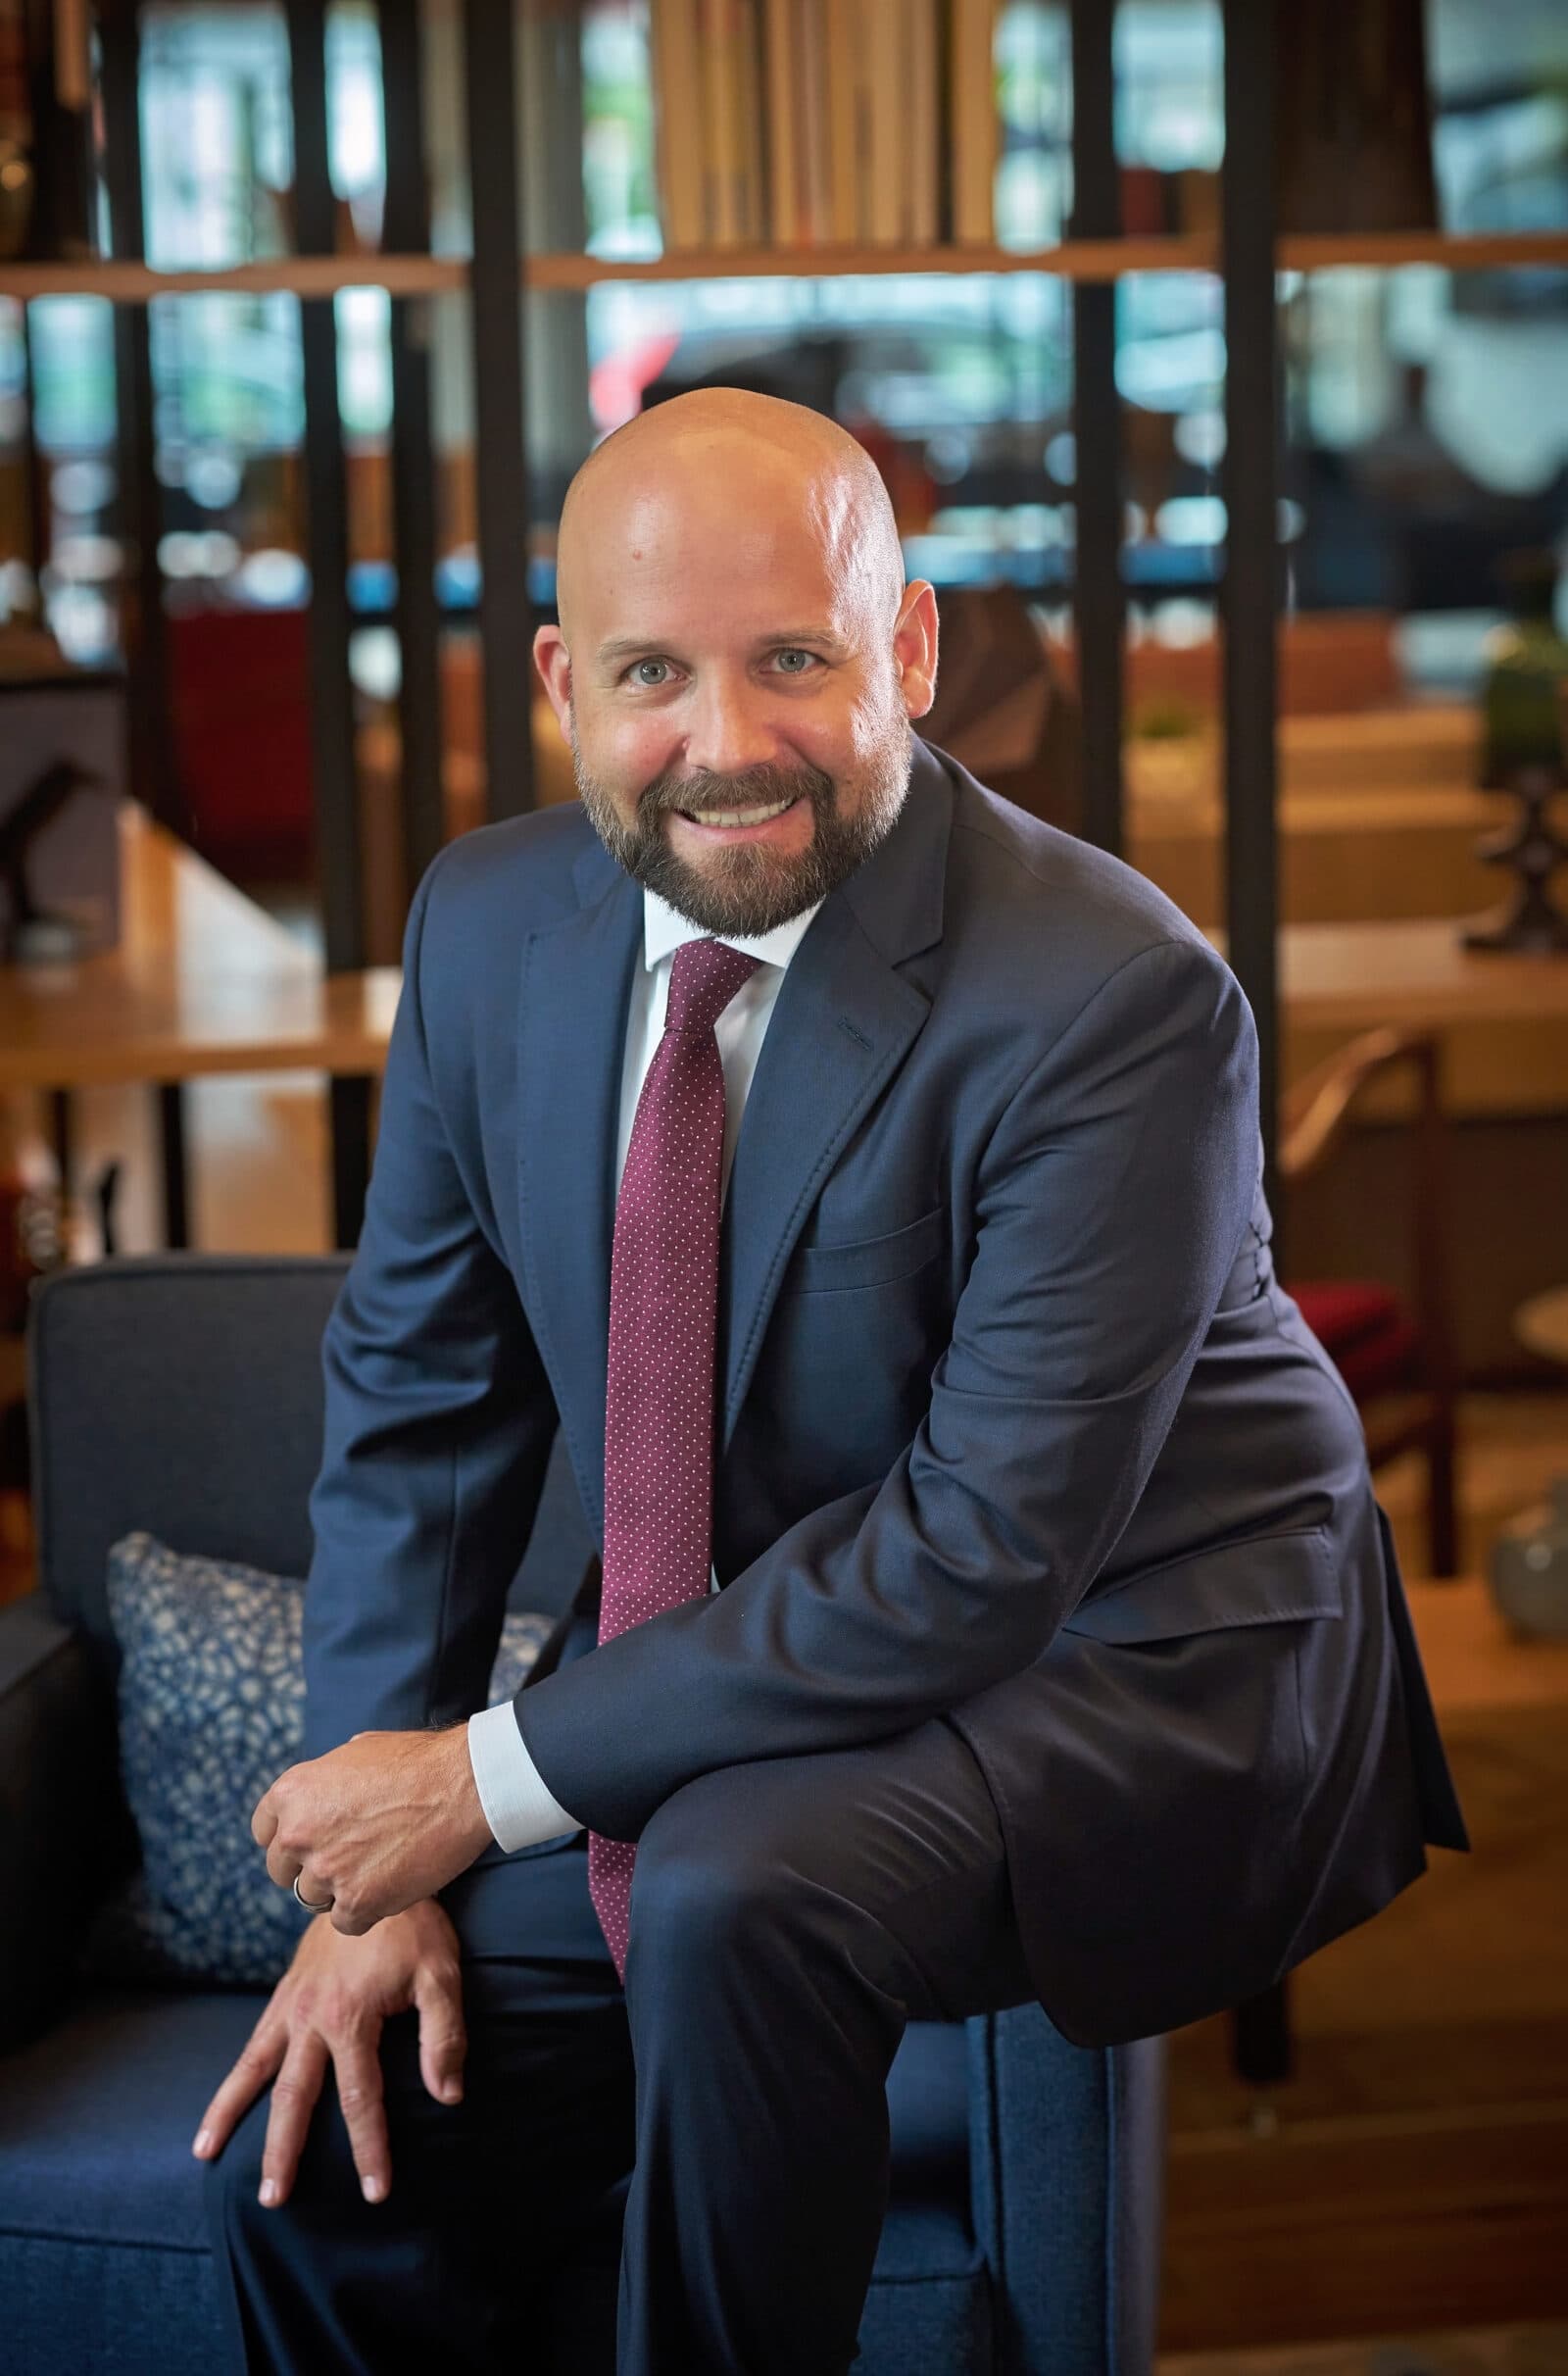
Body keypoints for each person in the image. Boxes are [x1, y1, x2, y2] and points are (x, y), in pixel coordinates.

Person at [194, 388, 1468, 2375]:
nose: (725, 744)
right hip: (777, 1637)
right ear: (558, 680)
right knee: (325, 2158)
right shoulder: (483, 927)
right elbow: (420, 1403)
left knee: (725, 1888)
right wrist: (376, 1882)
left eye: (792, 657)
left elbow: (980, 1555)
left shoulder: (1110, 998)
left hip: (1123, 1638)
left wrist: (475, 1783)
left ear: (910, 649)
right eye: (650, 674)